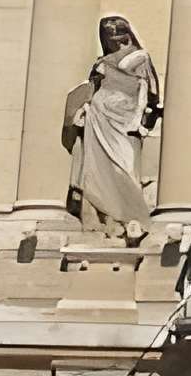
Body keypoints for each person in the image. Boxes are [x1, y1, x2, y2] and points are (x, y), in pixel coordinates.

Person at [65, 14, 160, 238]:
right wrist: (84, 108)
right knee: (99, 167)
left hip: (126, 118)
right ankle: (108, 220)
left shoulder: (140, 57)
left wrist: (139, 119)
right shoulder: (102, 62)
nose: (114, 40)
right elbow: (92, 88)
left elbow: (148, 90)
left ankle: (130, 219)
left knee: (125, 167)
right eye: (109, 36)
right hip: (100, 115)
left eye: (116, 35)